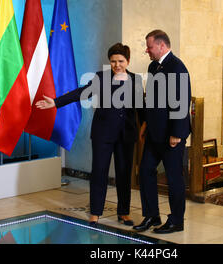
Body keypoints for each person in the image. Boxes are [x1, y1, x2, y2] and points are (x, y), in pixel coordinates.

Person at [36, 43, 144, 226]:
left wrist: (145, 127)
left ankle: (124, 212)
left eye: (120, 61)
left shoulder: (136, 79)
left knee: (124, 174)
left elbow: (141, 105)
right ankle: (95, 212)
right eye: (113, 61)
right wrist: (55, 102)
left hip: (126, 135)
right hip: (103, 134)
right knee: (99, 173)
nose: (117, 65)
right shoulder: (100, 78)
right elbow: (81, 93)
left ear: (128, 61)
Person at [133, 30, 191, 234]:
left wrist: (176, 133)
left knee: (174, 178)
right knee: (146, 171)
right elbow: (154, 100)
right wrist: (146, 123)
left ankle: (176, 221)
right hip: (154, 133)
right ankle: (151, 215)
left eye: (149, 47)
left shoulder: (177, 67)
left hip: (171, 136)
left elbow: (182, 102)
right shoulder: (152, 66)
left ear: (161, 46)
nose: (146, 50)